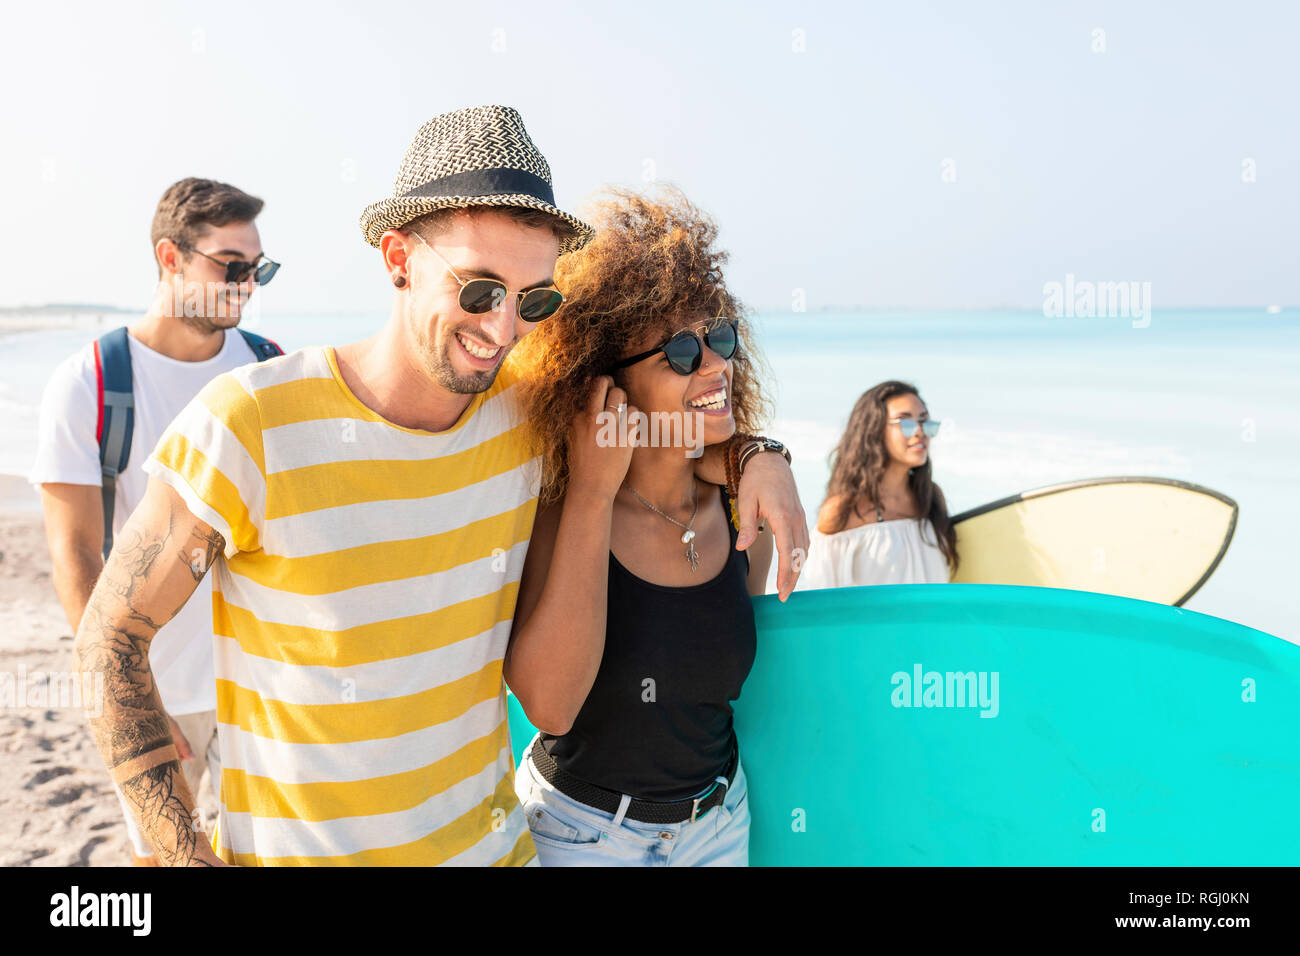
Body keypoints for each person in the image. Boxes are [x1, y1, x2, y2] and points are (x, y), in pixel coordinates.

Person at [72, 106, 808, 866]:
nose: (503, 329)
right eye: (479, 289)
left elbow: (663, 432)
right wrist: (180, 851)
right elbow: (111, 641)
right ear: (398, 258)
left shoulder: (529, 422)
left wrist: (760, 454)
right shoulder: (250, 423)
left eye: (534, 300)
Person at [505, 187, 776, 865]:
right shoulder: (560, 508)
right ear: (605, 386)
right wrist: (595, 494)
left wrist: (763, 455)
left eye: (720, 338)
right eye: (680, 354)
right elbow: (551, 708)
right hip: (583, 834)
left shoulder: (744, 507)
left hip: (719, 824)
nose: (715, 365)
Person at [30, 177, 281, 864]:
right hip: (154, 686)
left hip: (256, 687)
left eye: (261, 268)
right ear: (171, 258)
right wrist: (128, 701)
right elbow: (77, 554)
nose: (250, 283)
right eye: (233, 266)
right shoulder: (89, 383)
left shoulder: (269, 369)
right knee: (162, 859)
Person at [800, 381, 958, 588]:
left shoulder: (930, 498)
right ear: (874, 430)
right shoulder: (843, 510)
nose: (920, 432)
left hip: (934, 621)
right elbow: (820, 596)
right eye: (906, 423)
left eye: (925, 422)